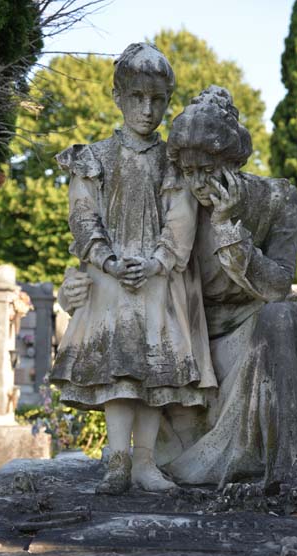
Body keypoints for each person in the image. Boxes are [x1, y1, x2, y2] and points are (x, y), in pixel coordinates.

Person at [59, 85, 297, 494]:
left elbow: (278, 286)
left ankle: (291, 473)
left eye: (207, 169)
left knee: (284, 315)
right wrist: (74, 288)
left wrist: (229, 230)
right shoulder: (173, 201)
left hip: (250, 342)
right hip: (187, 346)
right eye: (187, 171)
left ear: (233, 162)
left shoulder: (277, 199)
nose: (196, 182)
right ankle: (140, 459)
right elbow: (121, 248)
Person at [51, 45, 216, 495]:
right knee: (118, 373)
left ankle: (144, 462)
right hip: (110, 280)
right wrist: (106, 259)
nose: (147, 109)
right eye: (137, 97)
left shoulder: (173, 162)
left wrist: (158, 261)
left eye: (158, 100)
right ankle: (117, 461)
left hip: (159, 280)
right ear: (117, 97)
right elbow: (83, 216)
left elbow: (181, 218)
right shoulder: (95, 157)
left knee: (153, 374)